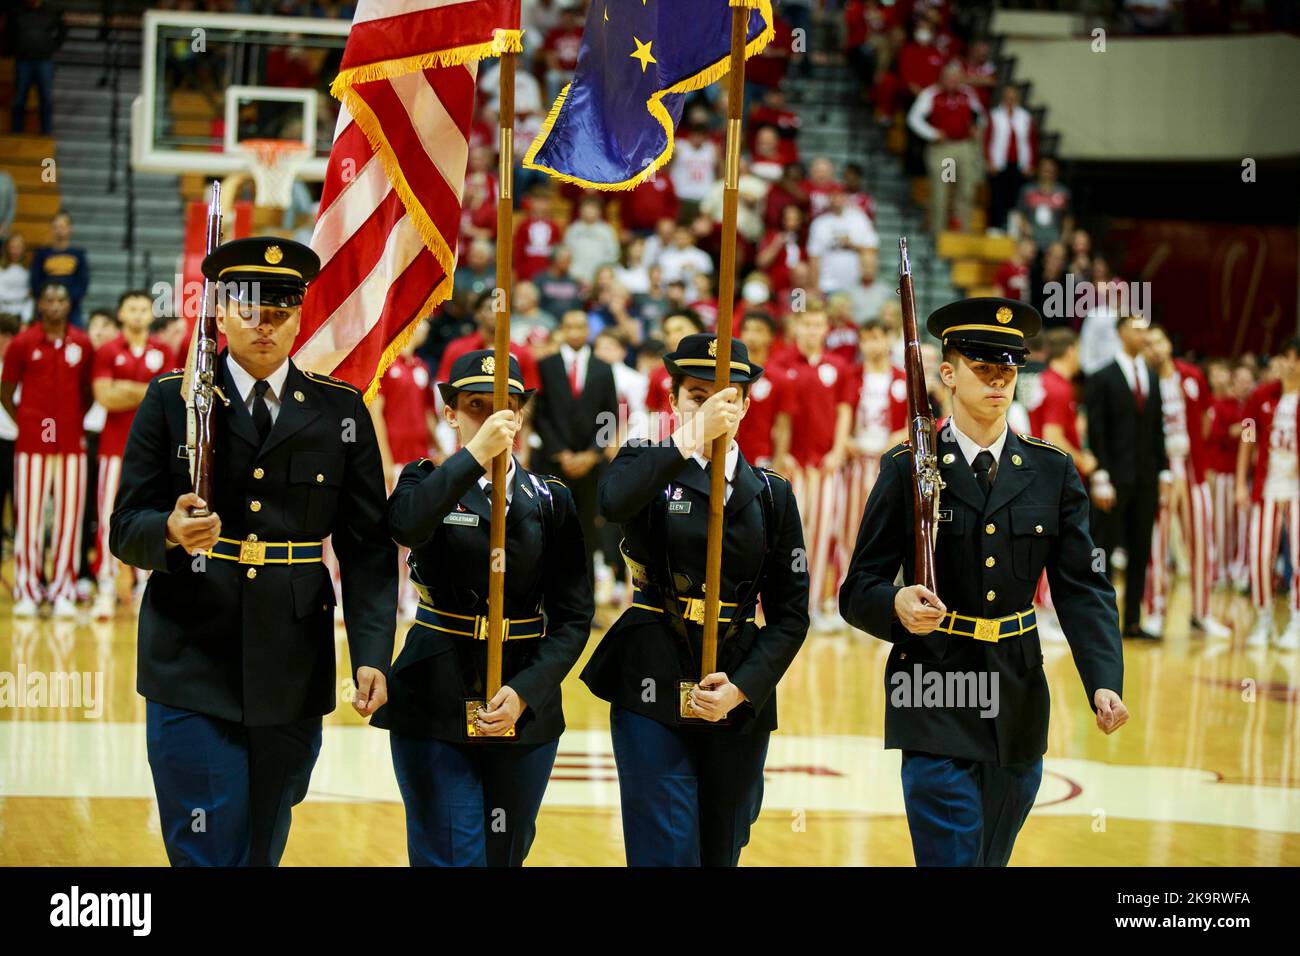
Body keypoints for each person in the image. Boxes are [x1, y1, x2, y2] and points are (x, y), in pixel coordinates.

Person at [108, 237, 398, 866]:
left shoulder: (339, 411)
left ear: (299, 316)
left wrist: (373, 652)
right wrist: (167, 530)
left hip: (292, 661)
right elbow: (124, 524)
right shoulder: (172, 399)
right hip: (190, 651)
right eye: (248, 308)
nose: (264, 324)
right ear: (219, 311)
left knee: (262, 844)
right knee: (207, 846)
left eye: (280, 311)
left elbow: (367, 548)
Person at [840, 297, 1128, 867]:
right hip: (932, 688)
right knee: (952, 855)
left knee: (988, 859)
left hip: (1017, 695)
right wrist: (895, 602)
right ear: (947, 373)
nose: (999, 380)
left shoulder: (1051, 470)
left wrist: (1103, 676)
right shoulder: (906, 469)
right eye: (983, 367)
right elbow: (858, 588)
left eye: (1009, 368)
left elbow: (1082, 587)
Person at [583, 333, 809, 865]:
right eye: (696, 395)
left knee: (723, 843)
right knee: (663, 843)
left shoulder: (772, 493)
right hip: (652, 672)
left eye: (725, 396)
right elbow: (612, 502)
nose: (712, 407)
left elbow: (790, 615)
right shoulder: (647, 461)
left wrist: (745, 688)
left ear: (747, 403)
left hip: (735, 683)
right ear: (673, 400)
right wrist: (688, 438)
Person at [374, 349, 594, 865]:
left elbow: (573, 616)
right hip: (435, 688)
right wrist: (472, 456)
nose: (495, 417)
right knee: (450, 852)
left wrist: (526, 692)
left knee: (506, 852)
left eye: (507, 406)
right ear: (450, 412)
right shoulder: (422, 479)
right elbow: (406, 525)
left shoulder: (551, 499)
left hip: (522, 693)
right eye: (476, 405)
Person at [0, 282, 93, 617]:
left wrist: (69, 421)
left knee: (70, 520)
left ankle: (63, 589)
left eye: (61, 300)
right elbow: (6, 391)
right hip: (31, 445)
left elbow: (88, 392)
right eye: (49, 299)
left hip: (71, 444)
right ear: (40, 303)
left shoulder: (82, 343)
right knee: (29, 518)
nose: (55, 305)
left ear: (69, 305)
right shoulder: (23, 342)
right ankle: (26, 587)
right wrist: (27, 422)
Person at [1142, 326, 1230, 639]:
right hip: (1160, 471)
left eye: (1159, 341)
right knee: (1158, 544)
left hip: (1192, 468)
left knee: (1202, 542)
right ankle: (1155, 612)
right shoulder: (1144, 381)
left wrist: (1199, 457)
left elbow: (1208, 416)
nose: (1155, 348)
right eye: (1148, 343)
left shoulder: (1192, 375)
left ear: (1169, 343)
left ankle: (1202, 613)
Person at [88, 291, 171, 620]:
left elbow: (168, 397)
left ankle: (144, 585)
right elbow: (105, 396)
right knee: (108, 516)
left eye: (142, 308)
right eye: (131, 308)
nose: (137, 314)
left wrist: (128, 389)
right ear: (121, 314)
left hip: (153, 451)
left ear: (151, 315)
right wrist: (148, 390)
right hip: (113, 449)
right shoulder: (108, 350)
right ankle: (106, 586)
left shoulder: (164, 350)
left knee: (150, 516)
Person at [1085, 313, 1167, 640]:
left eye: (1146, 328)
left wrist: (1164, 471)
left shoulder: (1151, 375)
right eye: (1137, 328)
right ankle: (1099, 622)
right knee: (1102, 550)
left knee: (1140, 548)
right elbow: (1096, 429)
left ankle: (1132, 620)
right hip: (1113, 477)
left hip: (1146, 478)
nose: (1143, 334)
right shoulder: (1101, 377)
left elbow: (1156, 428)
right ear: (1120, 333)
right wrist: (1101, 474)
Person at [531, 309, 620, 582]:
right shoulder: (546, 365)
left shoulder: (604, 369)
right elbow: (540, 415)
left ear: (588, 331)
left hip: (591, 466)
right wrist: (562, 453)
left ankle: (585, 598)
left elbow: (611, 415)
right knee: (551, 528)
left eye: (581, 327)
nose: (575, 332)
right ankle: (547, 599)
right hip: (553, 461)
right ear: (562, 329)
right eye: (569, 326)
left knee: (587, 532)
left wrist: (591, 455)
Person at [1237, 338, 1300, 649]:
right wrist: (1239, 484)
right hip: (1268, 485)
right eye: (1286, 356)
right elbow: (1247, 439)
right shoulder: (1262, 396)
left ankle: (1296, 620)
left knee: (1299, 556)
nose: (1290, 363)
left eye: (1296, 358)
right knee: (1261, 554)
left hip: (1297, 487)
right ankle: (1263, 618)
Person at [907, 61, 986, 236]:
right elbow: (914, 119)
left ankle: (962, 233)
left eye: (956, 78)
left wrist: (976, 127)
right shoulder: (931, 94)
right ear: (942, 78)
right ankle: (938, 233)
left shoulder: (967, 93)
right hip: (945, 151)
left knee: (966, 190)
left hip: (964, 148)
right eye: (949, 78)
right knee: (942, 190)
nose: (953, 82)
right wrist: (932, 133)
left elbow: (980, 115)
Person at [29, 211, 90, 328]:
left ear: (70, 228)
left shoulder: (78, 254)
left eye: (62, 227)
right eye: (56, 227)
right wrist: (48, 300)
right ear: (51, 229)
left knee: (78, 336)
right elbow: (35, 281)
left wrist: (65, 301)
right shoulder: (41, 254)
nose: (59, 230)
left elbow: (83, 282)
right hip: (46, 306)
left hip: (72, 307)